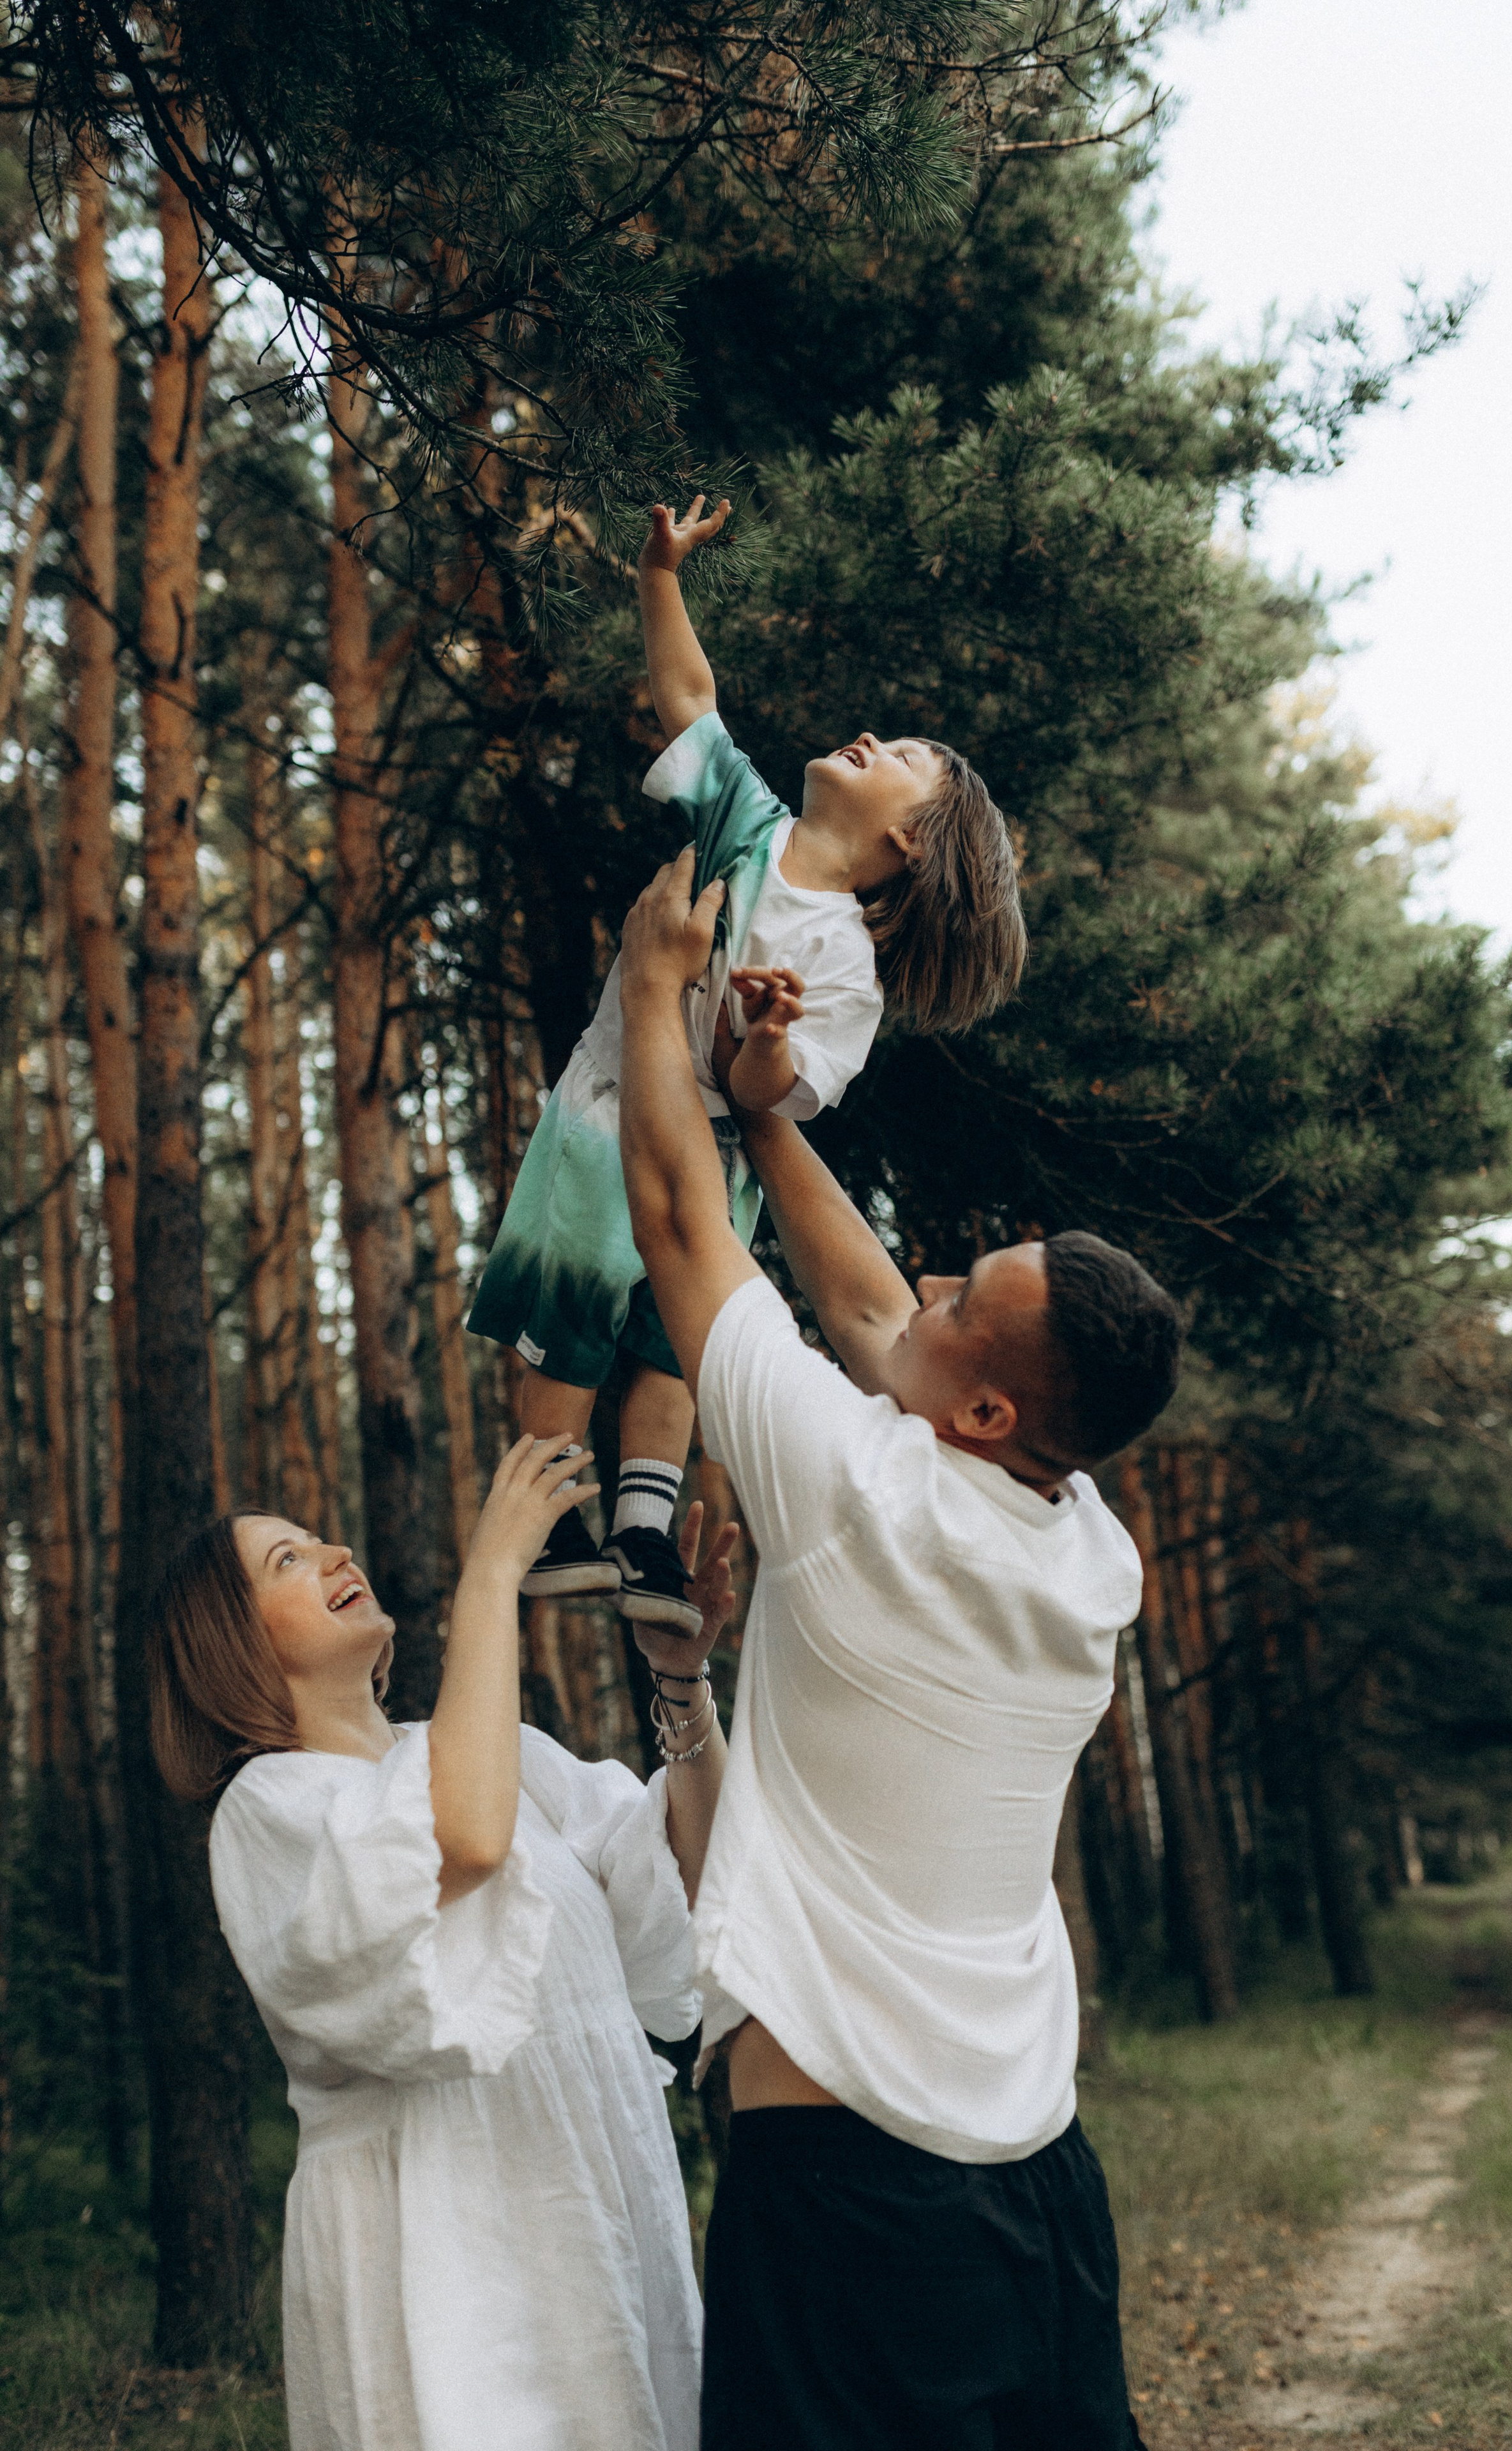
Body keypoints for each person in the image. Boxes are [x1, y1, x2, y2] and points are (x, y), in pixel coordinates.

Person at [613, 848, 1183, 2450]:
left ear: (988, 1410)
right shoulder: (1090, 1554)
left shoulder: (853, 1494)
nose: (922, 1283)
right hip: (1037, 2186)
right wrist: (774, 1111)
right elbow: (875, 1322)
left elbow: (672, 1214)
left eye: (961, 1296)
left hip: (851, 2191)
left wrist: (656, 990)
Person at [467, 491, 1026, 1637]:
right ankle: (547, 1518)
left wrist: (766, 1044)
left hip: (710, 1150)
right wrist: (658, 577)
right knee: (574, 1308)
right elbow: (691, 700)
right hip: (608, 1111)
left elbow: (784, 1098)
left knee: (676, 1343)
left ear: (910, 840)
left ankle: (641, 1528)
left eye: (901, 758)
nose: (872, 739)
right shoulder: (747, 827)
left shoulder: (852, 975)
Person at [149, 1434, 737, 2451]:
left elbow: (698, 1867)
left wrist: (680, 1686)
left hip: (586, 2208)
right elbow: (462, 1839)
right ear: (227, 1643)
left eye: (319, 1539)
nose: (334, 1552)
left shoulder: (482, 1757)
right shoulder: (269, 1806)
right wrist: (495, 1571)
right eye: (286, 1562)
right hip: (444, 2247)